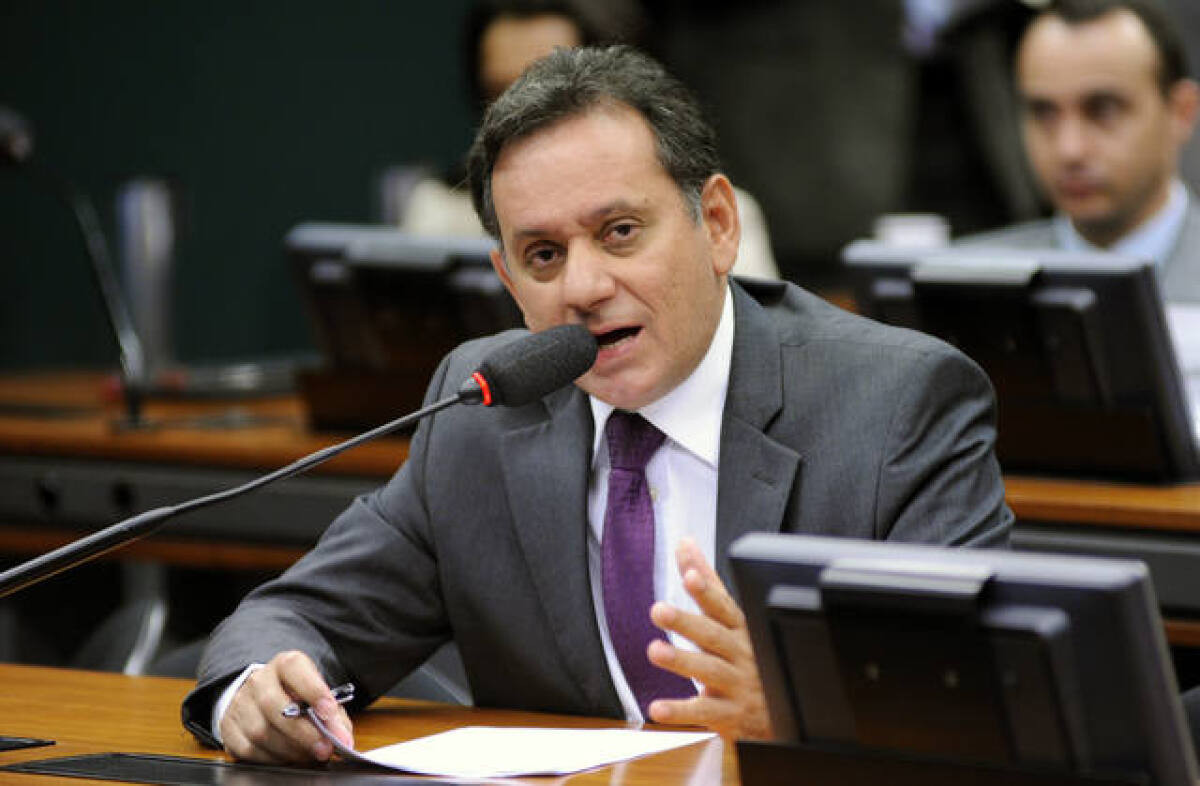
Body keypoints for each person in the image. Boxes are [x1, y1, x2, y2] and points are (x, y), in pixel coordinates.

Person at [182, 46, 1012, 765]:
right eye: (544, 255)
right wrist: (254, 692)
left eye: (619, 232)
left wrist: (808, 716)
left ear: (718, 224)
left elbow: (990, 710)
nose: (582, 287)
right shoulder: (482, 409)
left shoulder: (894, 405)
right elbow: (292, 621)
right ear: (508, 282)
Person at [391, 0, 781, 280]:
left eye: (622, 231)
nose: (519, 116)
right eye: (499, 92)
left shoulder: (708, 211)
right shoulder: (440, 210)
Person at [963, 0, 1200, 302]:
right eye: (1044, 113)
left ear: (1181, 112)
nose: (1069, 149)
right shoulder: (967, 283)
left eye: (1103, 110)